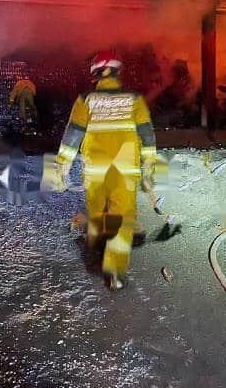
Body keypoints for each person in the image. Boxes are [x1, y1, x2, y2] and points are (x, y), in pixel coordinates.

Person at [55, 50, 157, 290]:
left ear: (95, 75)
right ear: (118, 73)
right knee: (121, 218)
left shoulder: (86, 99)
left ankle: (94, 246)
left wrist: (62, 167)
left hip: (95, 169)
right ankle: (115, 272)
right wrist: (150, 167)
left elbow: (73, 134)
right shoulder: (134, 98)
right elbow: (147, 134)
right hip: (125, 169)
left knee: (98, 211)